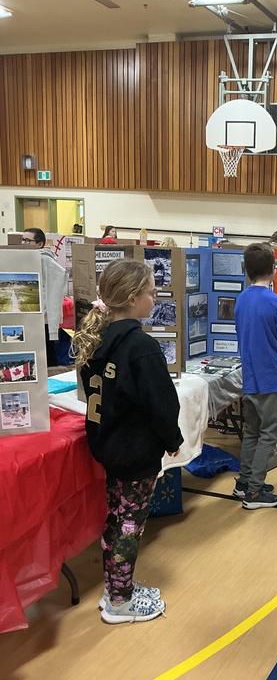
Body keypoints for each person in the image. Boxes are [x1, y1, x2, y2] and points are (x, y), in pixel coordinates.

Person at [72, 259, 183, 624]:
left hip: (110, 447)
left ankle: (116, 588)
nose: (155, 298)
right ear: (133, 298)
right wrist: (173, 439)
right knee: (129, 525)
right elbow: (162, 403)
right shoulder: (140, 347)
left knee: (117, 519)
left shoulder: (97, 340)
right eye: (151, 292)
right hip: (135, 452)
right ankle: (120, 602)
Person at [234, 243, 277, 509]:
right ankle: (255, 492)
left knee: (252, 433)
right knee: (269, 435)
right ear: (273, 270)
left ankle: (244, 482)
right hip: (271, 378)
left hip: (250, 377)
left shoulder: (241, 299)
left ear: (247, 270)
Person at [21, 227, 68, 367]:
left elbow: (56, 284)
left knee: (46, 351)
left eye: (28, 240)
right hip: (27, 313)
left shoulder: (44, 259)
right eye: (22, 240)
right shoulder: (23, 257)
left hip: (42, 316)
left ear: (40, 244)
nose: (24, 243)